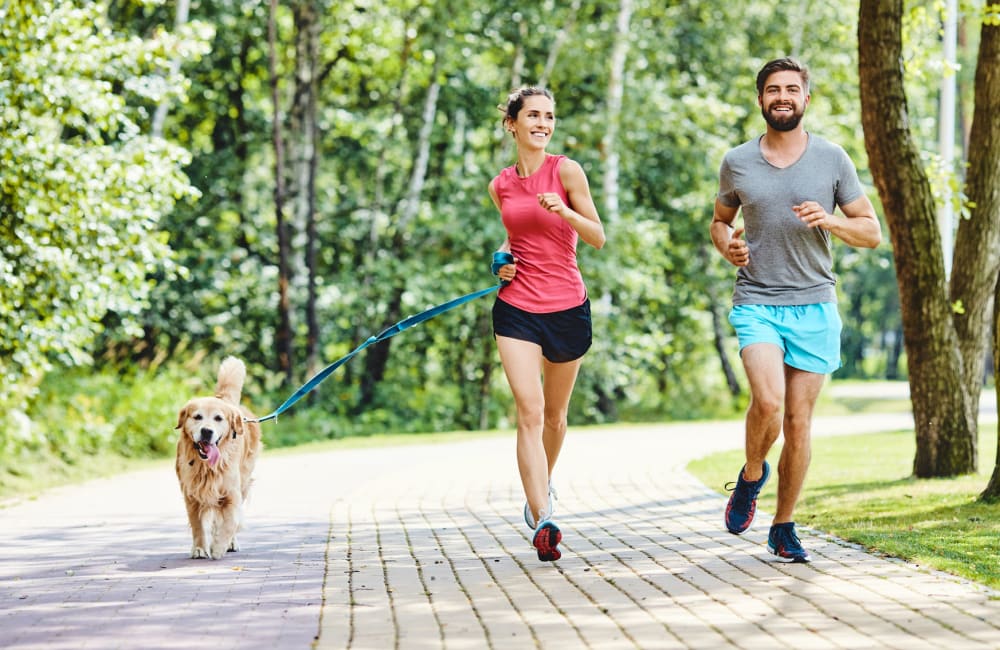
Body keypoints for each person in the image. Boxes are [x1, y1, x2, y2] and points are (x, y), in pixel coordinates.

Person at [710, 57, 881, 563]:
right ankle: (750, 474)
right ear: (760, 99)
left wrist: (830, 220)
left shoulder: (832, 159)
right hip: (757, 299)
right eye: (772, 89)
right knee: (768, 403)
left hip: (815, 305)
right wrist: (727, 247)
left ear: (806, 99)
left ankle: (783, 527)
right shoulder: (737, 161)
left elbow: (870, 232)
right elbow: (720, 221)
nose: (781, 96)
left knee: (800, 424)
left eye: (791, 89)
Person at [488, 86, 606, 562]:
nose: (543, 122)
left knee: (555, 416)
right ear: (511, 123)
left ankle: (543, 485)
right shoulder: (500, 184)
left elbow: (597, 236)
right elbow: (514, 235)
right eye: (533, 115)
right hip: (516, 308)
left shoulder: (567, 171)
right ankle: (543, 516)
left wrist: (566, 210)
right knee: (530, 412)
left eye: (549, 116)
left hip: (566, 308)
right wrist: (501, 261)